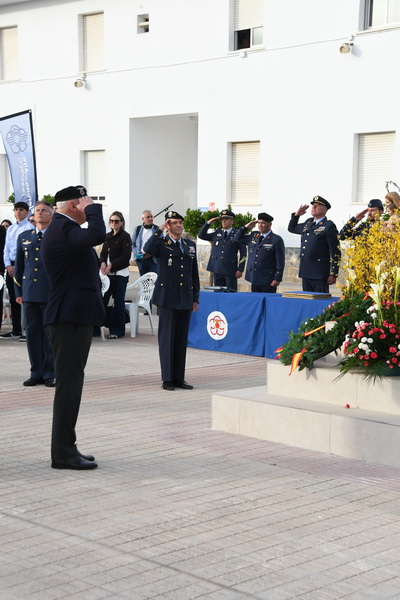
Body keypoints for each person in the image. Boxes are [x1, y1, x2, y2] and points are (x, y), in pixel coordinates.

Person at [41, 185, 106, 470]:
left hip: (74, 316)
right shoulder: (62, 228)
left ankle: (67, 447)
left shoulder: (64, 229)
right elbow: (97, 234)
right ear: (72, 206)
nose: (88, 206)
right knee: (68, 387)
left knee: (71, 384)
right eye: (84, 202)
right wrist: (94, 209)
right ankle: (63, 453)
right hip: (67, 319)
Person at [144, 210, 200, 391]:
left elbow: (193, 273)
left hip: (185, 297)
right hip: (167, 297)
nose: (178, 225)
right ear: (167, 225)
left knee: (180, 340)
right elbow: (147, 249)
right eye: (174, 223)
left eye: (180, 222)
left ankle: (178, 378)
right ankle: (167, 378)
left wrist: (195, 297)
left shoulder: (189, 245)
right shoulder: (161, 244)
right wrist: (158, 230)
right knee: (167, 339)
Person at [14, 202, 55, 387]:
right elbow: (19, 268)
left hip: (49, 292)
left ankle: (49, 373)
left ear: (51, 214)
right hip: (29, 292)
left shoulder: (56, 237)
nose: (40, 213)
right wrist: (19, 291)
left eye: (44, 210)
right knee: (32, 334)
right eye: (37, 210)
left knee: (48, 334)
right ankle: (35, 372)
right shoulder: (24, 237)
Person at [288, 196, 341, 293]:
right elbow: (292, 228)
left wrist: (333, 274)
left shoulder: (328, 226)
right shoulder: (308, 223)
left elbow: (335, 251)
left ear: (325, 210)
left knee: (320, 300)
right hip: (306, 271)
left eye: (317, 205)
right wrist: (296, 215)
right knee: (307, 299)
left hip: (319, 273)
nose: (314, 207)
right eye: (313, 205)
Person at [1, 201, 34, 338]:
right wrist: (8, 266)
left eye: (21, 209)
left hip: (24, 265)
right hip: (11, 266)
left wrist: (20, 266)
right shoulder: (11, 229)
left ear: (27, 212)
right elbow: (6, 249)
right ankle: (16, 329)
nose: (18, 212)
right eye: (16, 209)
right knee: (14, 299)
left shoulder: (30, 227)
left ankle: (27, 329)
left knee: (26, 298)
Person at [99, 211, 132, 338]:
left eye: (117, 221)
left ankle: (116, 331)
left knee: (118, 303)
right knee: (102, 300)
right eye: (112, 221)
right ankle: (97, 328)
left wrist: (111, 264)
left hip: (120, 275)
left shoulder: (125, 237)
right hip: (107, 275)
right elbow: (103, 253)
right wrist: (103, 262)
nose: (114, 223)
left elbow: (126, 256)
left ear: (122, 222)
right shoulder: (107, 236)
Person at [234, 212, 285, 292]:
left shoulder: (276, 239)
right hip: (254, 277)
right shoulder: (254, 236)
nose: (260, 225)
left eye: (263, 223)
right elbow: (236, 238)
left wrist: (277, 278)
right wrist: (245, 227)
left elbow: (280, 261)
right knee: (255, 299)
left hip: (268, 279)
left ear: (270, 224)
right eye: (259, 223)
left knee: (267, 299)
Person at [198, 209, 246, 290]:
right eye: (222, 219)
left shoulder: (237, 234)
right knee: (218, 293)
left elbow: (243, 254)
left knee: (230, 293)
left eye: (226, 219)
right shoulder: (217, 233)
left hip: (230, 270)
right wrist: (208, 223)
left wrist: (240, 269)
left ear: (232, 221)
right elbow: (201, 235)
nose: (223, 221)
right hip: (217, 269)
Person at [132, 210, 159, 275]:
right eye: (148, 217)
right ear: (143, 219)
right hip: (140, 258)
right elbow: (132, 244)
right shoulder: (137, 229)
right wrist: (139, 253)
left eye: (151, 217)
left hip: (153, 259)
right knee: (143, 279)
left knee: (154, 278)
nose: (150, 219)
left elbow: (161, 243)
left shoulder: (157, 229)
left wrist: (151, 253)